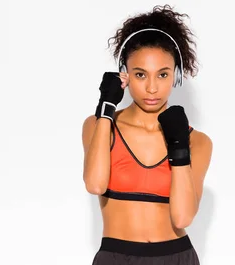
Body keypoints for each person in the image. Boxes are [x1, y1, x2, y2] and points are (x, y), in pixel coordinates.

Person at [81, 5, 213, 265]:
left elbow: (183, 218)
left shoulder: (198, 141)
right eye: (140, 74)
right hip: (115, 257)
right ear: (125, 74)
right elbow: (95, 184)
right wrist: (106, 108)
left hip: (176, 257)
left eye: (162, 74)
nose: (152, 88)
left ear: (175, 75)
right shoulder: (98, 126)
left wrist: (179, 148)